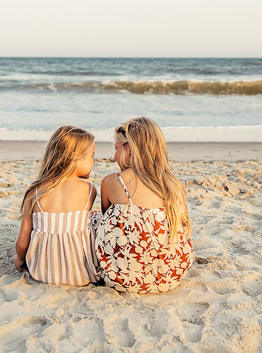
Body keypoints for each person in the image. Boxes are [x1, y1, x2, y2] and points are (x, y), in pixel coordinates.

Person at [95, 117, 193, 293]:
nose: (114, 156)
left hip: (123, 278)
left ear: (130, 150)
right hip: (171, 275)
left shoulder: (112, 182)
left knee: (94, 219)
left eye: (116, 149)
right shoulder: (173, 185)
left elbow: (107, 225)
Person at [14, 125, 100, 286]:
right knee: (96, 218)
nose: (93, 162)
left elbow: (23, 240)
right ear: (75, 158)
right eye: (91, 156)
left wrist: (19, 258)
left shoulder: (34, 192)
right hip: (81, 274)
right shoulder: (89, 190)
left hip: (42, 272)